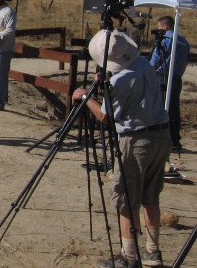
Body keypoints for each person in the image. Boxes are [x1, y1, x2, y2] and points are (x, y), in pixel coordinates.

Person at [72, 29, 171, 268]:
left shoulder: (119, 81)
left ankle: (129, 257)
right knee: (150, 196)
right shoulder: (143, 63)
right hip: (161, 134)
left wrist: (87, 98)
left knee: (126, 199)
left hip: (136, 141)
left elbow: (106, 117)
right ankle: (152, 252)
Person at [150, 15, 191, 150]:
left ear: (165, 26)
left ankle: (160, 138)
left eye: (159, 27)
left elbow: (154, 62)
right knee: (174, 108)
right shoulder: (184, 41)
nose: (158, 30)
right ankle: (174, 138)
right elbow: (185, 62)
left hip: (162, 76)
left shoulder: (165, 40)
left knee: (159, 107)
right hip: (176, 77)